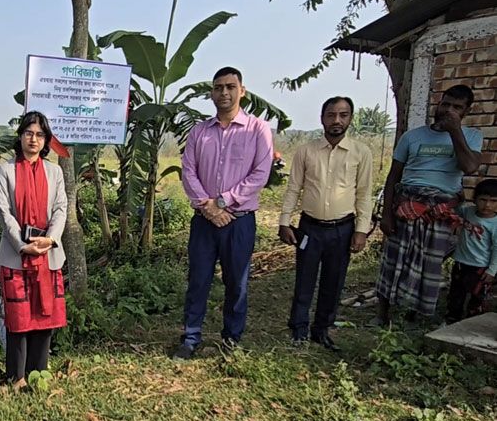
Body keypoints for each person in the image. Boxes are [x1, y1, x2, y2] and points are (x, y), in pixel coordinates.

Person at [177, 67, 274, 359]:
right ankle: (191, 336)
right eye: (218, 87)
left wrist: (222, 202)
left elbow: (260, 174)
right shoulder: (199, 131)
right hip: (204, 221)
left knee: (237, 282)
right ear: (211, 93)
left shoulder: (258, 129)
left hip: (239, 222)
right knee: (199, 279)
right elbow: (188, 171)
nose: (224, 92)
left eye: (230, 86)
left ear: (241, 91)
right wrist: (207, 207)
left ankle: (231, 338)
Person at [376, 85, 483, 324]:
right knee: (394, 261)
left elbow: (469, 167)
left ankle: (416, 314)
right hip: (408, 206)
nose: (448, 110)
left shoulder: (473, 137)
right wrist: (386, 214)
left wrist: (455, 131)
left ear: (466, 111)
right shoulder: (412, 136)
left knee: (429, 265)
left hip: (440, 212)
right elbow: (394, 176)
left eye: (457, 108)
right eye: (446, 104)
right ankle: (382, 314)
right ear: (439, 102)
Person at [278, 96, 373, 351]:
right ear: (322, 118)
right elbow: (293, 188)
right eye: (331, 115)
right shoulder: (306, 151)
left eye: (343, 115)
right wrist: (284, 221)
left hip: (343, 229)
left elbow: (364, 193)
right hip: (310, 228)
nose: (337, 121)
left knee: (334, 281)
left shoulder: (360, 153)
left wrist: (362, 230)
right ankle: (299, 328)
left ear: (350, 119)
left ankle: (322, 329)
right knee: (304, 280)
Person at [0, 111, 68, 385]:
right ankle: (16, 376)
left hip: (48, 253)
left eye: (39, 135)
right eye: (28, 133)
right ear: (20, 136)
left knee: (44, 314)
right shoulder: (5, 170)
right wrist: (23, 245)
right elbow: (3, 212)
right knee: (18, 316)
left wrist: (50, 239)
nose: (33, 140)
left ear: (46, 139)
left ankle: (39, 371)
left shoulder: (55, 171)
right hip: (16, 254)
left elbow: (61, 208)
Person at [445, 179, 497, 322]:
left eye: (493, 201)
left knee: (477, 297)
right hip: (461, 263)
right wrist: (458, 196)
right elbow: (454, 209)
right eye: (483, 200)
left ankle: (472, 323)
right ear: (475, 199)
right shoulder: (468, 212)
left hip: (480, 268)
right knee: (456, 294)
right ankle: (451, 320)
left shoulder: (495, 224)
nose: (487, 205)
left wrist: (492, 270)